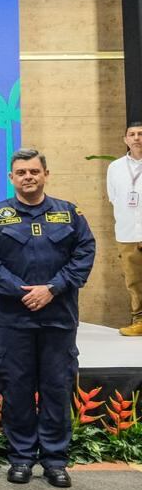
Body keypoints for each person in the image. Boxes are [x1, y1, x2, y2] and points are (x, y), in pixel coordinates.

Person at [0, 149, 96, 488]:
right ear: (11, 178)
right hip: (14, 319)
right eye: (21, 172)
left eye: (33, 171)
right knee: (17, 388)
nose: (27, 177)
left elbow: (85, 252)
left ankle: (56, 460)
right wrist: (22, 291)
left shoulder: (69, 214)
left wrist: (53, 288)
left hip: (58, 317)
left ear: (46, 174)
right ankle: (21, 458)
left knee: (56, 388)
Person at [105, 121, 142, 336]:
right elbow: (113, 198)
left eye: (140, 134)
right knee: (134, 281)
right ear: (125, 140)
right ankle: (139, 321)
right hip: (127, 233)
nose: (137, 138)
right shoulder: (115, 167)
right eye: (132, 134)